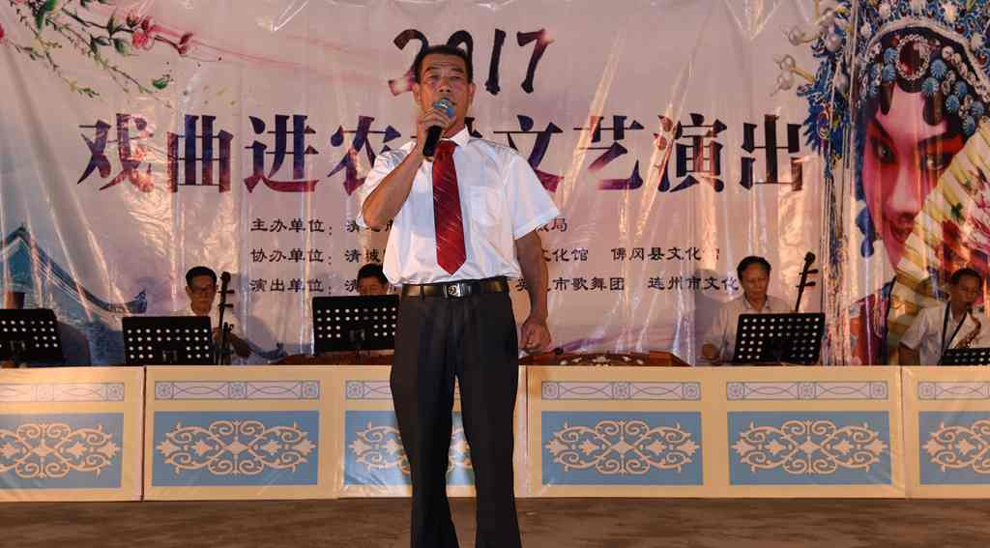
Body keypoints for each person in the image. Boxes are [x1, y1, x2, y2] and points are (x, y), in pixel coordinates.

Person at [359, 44, 558, 548]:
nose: (444, 85)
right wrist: (420, 149)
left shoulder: (501, 162)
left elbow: (529, 246)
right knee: (423, 444)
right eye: (433, 77)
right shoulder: (393, 160)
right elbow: (375, 216)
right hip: (420, 310)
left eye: (455, 78)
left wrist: (538, 313)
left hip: (486, 309)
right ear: (418, 92)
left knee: (492, 445)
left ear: (470, 92)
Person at [793, 2, 990, 364]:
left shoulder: (982, 319)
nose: (901, 200)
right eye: (883, 153)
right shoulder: (850, 332)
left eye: (935, 160)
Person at [701, 256, 790, 365]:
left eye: (762, 279)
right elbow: (709, 344)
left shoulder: (782, 307)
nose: (757, 286)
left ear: (768, 279)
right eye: (751, 281)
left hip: (776, 371)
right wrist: (712, 353)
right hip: (738, 372)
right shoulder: (728, 310)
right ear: (741, 282)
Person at [899, 268, 988, 365]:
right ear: (951, 288)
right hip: (932, 373)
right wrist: (911, 374)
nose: (969, 295)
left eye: (974, 291)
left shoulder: (982, 322)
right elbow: (906, 348)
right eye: (964, 290)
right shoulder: (929, 315)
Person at [174, 266, 251, 361]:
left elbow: (246, 352)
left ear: (215, 289)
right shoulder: (176, 319)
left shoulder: (226, 317)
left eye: (208, 288)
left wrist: (230, 337)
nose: (203, 294)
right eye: (197, 289)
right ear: (188, 291)